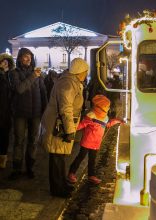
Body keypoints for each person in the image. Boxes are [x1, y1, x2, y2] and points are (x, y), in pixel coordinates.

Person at [41, 58, 89, 198]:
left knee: (60, 157)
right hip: (59, 125)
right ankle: (57, 190)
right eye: (85, 72)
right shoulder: (68, 84)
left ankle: (61, 184)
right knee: (56, 157)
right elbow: (65, 108)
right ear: (79, 71)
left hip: (61, 123)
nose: (86, 74)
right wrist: (69, 130)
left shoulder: (71, 81)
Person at [9, 48, 47, 179]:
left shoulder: (37, 74)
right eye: (25, 56)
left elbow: (43, 92)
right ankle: (16, 169)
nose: (28, 59)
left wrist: (45, 110)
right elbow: (19, 89)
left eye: (30, 56)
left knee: (33, 141)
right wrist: (33, 76)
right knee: (19, 141)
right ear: (20, 58)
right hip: (20, 113)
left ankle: (30, 167)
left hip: (35, 113)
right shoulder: (14, 73)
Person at [67, 94, 123, 185]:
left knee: (92, 159)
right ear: (101, 107)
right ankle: (71, 173)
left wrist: (116, 120)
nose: (108, 108)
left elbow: (107, 124)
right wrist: (70, 129)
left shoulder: (105, 117)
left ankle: (91, 175)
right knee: (80, 157)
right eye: (107, 107)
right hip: (87, 142)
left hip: (96, 143)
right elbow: (82, 125)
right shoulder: (91, 115)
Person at [0, 53, 15, 168]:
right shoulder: (2, 76)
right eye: (3, 62)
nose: (5, 64)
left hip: (7, 112)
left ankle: (3, 158)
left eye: (7, 62)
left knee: (5, 135)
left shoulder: (10, 76)